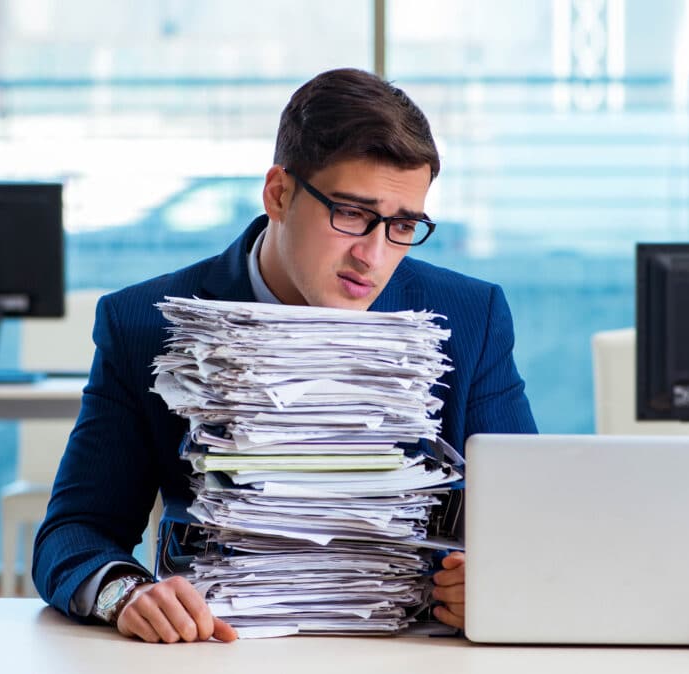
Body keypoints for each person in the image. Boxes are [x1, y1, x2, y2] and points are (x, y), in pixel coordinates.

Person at [33, 67, 537, 643]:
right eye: (350, 213)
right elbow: (74, 532)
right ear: (278, 194)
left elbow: (529, 527)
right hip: (219, 647)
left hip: (412, 648)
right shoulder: (143, 322)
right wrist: (127, 592)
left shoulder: (470, 316)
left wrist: (504, 584)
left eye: (402, 225)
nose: (373, 255)